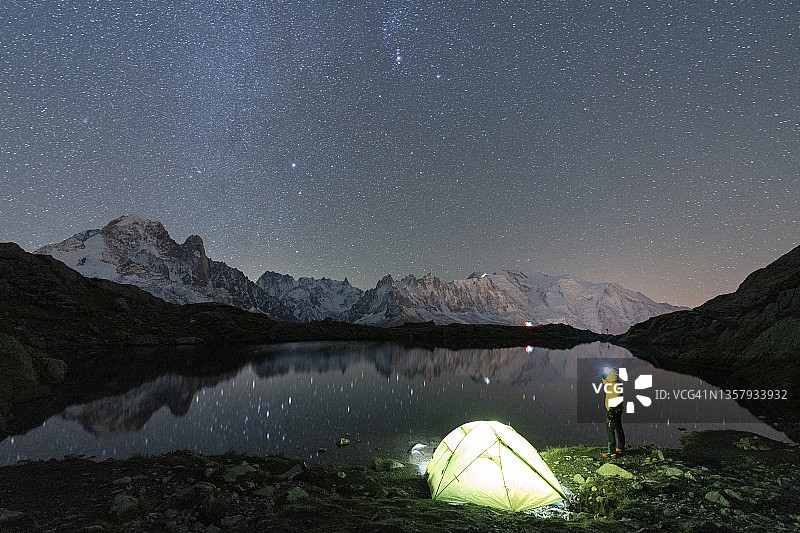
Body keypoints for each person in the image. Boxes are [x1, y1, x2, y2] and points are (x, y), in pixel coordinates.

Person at [601, 367, 625, 457]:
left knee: (610, 429)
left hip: (613, 409)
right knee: (618, 428)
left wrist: (611, 409)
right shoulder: (614, 382)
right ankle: (620, 448)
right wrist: (604, 377)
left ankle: (612, 452)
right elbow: (606, 382)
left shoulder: (614, 383)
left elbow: (617, 396)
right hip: (617, 409)